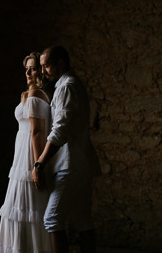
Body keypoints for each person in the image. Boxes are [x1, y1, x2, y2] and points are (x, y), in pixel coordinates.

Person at [32, 45, 101, 253]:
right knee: (83, 220)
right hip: (81, 162)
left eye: (47, 66)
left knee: (52, 220)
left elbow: (60, 131)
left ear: (61, 63)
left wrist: (39, 163)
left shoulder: (67, 86)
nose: (43, 71)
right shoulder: (69, 84)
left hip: (70, 165)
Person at [0, 52, 53, 253]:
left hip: (29, 156)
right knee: (22, 209)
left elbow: (37, 132)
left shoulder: (36, 95)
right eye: (26, 68)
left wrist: (38, 165)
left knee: (26, 208)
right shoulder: (33, 94)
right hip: (21, 156)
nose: (28, 72)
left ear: (42, 72)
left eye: (33, 68)